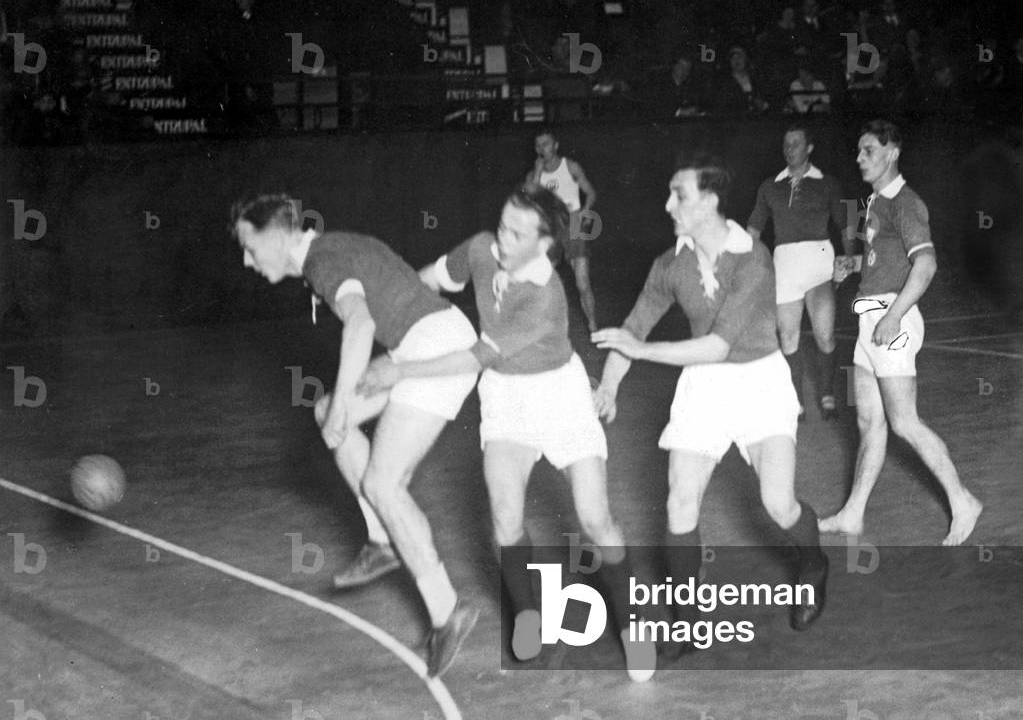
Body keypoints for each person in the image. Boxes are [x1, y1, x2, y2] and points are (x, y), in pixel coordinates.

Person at [358, 184, 657, 682]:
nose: (502, 238)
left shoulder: (544, 296)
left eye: (516, 234)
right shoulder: (480, 248)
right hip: (506, 397)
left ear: (545, 245)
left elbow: (474, 356)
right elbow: (426, 280)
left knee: (595, 517)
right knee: (504, 516)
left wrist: (398, 369)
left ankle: (633, 623)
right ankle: (528, 612)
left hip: (559, 396)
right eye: (502, 224)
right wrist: (380, 305)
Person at [231, 194, 480, 677]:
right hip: (421, 340)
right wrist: (340, 405)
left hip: (436, 348)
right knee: (329, 414)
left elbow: (362, 325)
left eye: (248, 245)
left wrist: (347, 401)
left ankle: (448, 611)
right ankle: (382, 539)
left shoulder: (322, 259)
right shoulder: (329, 250)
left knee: (383, 482)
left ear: (276, 235)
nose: (246, 258)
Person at [591, 151, 829, 647]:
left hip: (758, 383)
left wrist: (643, 351)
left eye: (680, 195)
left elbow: (718, 344)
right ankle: (686, 617)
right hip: (703, 386)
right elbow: (633, 328)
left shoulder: (753, 258)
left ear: (711, 200)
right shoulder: (670, 264)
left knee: (778, 503)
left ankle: (813, 565)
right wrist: (609, 385)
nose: (668, 204)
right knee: (680, 501)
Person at [820, 121, 983, 545]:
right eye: (858, 150)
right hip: (869, 321)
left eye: (869, 151)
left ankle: (963, 500)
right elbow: (883, 261)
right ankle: (853, 513)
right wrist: (852, 267)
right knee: (868, 421)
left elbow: (926, 265)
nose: (859, 159)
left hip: (892, 321)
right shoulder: (875, 201)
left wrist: (894, 316)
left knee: (904, 421)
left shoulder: (906, 203)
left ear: (893, 153)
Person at [747, 124, 849, 420]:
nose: (789, 149)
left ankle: (827, 393)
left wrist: (848, 256)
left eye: (795, 143)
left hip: (819, 263)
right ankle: (796, 400)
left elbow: (846, 224)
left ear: (809, 148)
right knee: (788, 337)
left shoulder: (827, 183)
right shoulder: (770, 186)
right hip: (785, 266)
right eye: (786, 144)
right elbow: (753, 229)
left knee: (824, 336)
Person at [527, 129, 600, 332]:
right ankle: (542, 329)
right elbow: (529, 200)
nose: (543, 149)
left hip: (574, 225)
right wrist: (538, 173)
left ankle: (593, 327)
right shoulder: (534, 174)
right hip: (550, 229)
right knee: (541, 281)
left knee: (582, 283)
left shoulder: (570, 166)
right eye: (538, 145)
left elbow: (591, 192)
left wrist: (585, 212)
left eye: (546, 144)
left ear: (556, 145)